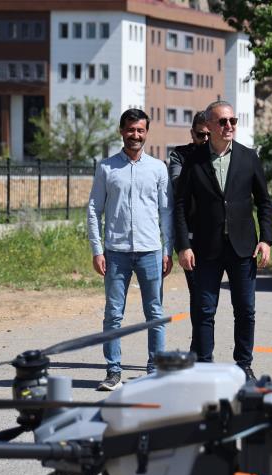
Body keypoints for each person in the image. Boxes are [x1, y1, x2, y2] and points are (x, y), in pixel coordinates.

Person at [174, 100, 272, 381]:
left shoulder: (249, 157)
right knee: (204, 310)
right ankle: (205, 366)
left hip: (243, 248)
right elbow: (180, 205)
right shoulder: (194, 160)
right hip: (205, 248)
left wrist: (266, 240)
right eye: (222, 121)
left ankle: (243, 364)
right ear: (209, 125)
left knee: (245, 310)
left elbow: (264, 202)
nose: (229, 126)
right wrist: (183, 246)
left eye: (233, 121)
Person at [87, 108, 173, 391]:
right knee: (113, 315)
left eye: (140, 130)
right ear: (121, 131)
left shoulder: (158, 168)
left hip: (151, 251)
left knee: (155, 313)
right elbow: (94, 210)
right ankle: (113, 371)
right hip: (116, 252)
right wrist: (97, 250)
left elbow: (166, 212)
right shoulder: (106, 168)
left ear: (146, 133)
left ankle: (154, 369)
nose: (135, 135)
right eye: (130, 130)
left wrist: (167, 249)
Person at [167, 111, 210, 356]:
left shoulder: (223, 155)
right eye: (200, 135)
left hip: (218, 235)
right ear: (192, 134)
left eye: (209, 135)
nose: (205, 140)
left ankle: (202, 348)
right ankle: (200, 349)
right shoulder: (180, 155)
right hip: (190, 235)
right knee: (198, 293)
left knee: (209, 297)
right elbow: (177, 186)